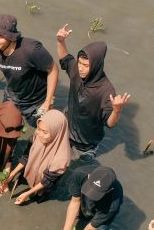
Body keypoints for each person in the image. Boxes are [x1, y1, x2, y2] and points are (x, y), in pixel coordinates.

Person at [55, 25, 130, 158]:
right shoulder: (76, 71)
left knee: (77, 169)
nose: (81, 68)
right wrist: (61, 41)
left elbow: (110, 124)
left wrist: (117, 110)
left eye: (86, 65)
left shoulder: (106, 90)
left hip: (87, 141)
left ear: (96, 66)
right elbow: (65, 59)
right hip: (68, 126)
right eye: (79, 63)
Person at [4, 109, 72, 205]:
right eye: (38, 128)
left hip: (45, 183)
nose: (39, 134)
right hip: (35, 172)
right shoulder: (37, 136)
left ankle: (39, 193)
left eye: (45, 132)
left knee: (40, 194)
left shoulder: (61, 159)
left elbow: (47, 180)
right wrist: (12, 174)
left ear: (57, 132)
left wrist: (27, 193)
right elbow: (27, 156)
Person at [58, 166, 123, 230]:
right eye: (90, 189)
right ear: (89, 176)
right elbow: (75, 201)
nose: (91, 195)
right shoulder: (79, 173)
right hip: (85, 201)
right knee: (83, 213)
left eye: (95, 193)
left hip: (105, 207)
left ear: (109, 190)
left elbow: (90, 229)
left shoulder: (113, 203)